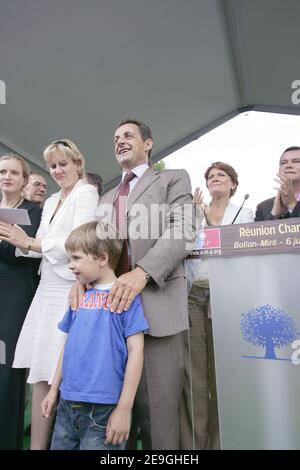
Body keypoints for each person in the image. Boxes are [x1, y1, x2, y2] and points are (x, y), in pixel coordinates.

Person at [71, 119, 194, 450]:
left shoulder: (172, 178)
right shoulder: (108, 196)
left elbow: (182, 231)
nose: (119, 141)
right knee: (113, 428)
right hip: (109, 321)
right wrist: (81, 280)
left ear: (148, 143)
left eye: (128, 135)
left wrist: (143, 272)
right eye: (115, 138)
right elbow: (96, 251)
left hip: (157, 315)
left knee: (159, 425)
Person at [0, 139, 99, 450]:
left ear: (78, 165)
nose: (57, 170)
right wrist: (19, 241)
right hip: (45, 290)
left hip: (69, 289)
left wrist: (28, 243)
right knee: (39, 372)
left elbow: (79, 241)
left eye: (63, 164)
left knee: (62, 374)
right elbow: (39, 243)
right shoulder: (54, 199)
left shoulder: (87, 193)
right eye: (53, 165)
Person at [41, 220, 148, 450]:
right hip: (67, 404)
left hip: (103, 411)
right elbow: (67, 346)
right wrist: (53, 390)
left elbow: (136, 351)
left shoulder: (126, 298)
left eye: (76, 258)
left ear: (102, 258)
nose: (71, 265)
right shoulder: (78, 297)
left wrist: (124, 408)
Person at [181, 162, 253, 450]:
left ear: (233, 183)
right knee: (194, 377)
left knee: (220, 377)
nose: (215, 179)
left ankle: (220, 444)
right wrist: (192, 215)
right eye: (210, 176)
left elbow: (244, 253)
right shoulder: (195, 211)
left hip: (226, 297)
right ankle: (195, 446)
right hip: (192, 296)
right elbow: (183, 246)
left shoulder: (245, 213)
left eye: (221, 175)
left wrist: (213, 227)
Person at [0, 154, 42, 449]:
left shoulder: (33, 212)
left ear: (24, 180)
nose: (7, 176)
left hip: (14, 295)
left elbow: (20, 255)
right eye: (2, 171)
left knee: (7, 374)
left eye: (14, 172)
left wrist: (12, 242)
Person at [255, 146, 300, 221]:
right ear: (279, 171)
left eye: (296, 161)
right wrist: (274, 215)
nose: (288, 165)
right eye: (283, 163)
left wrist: (293, 205)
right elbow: (255, 232)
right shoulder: (263, 207)